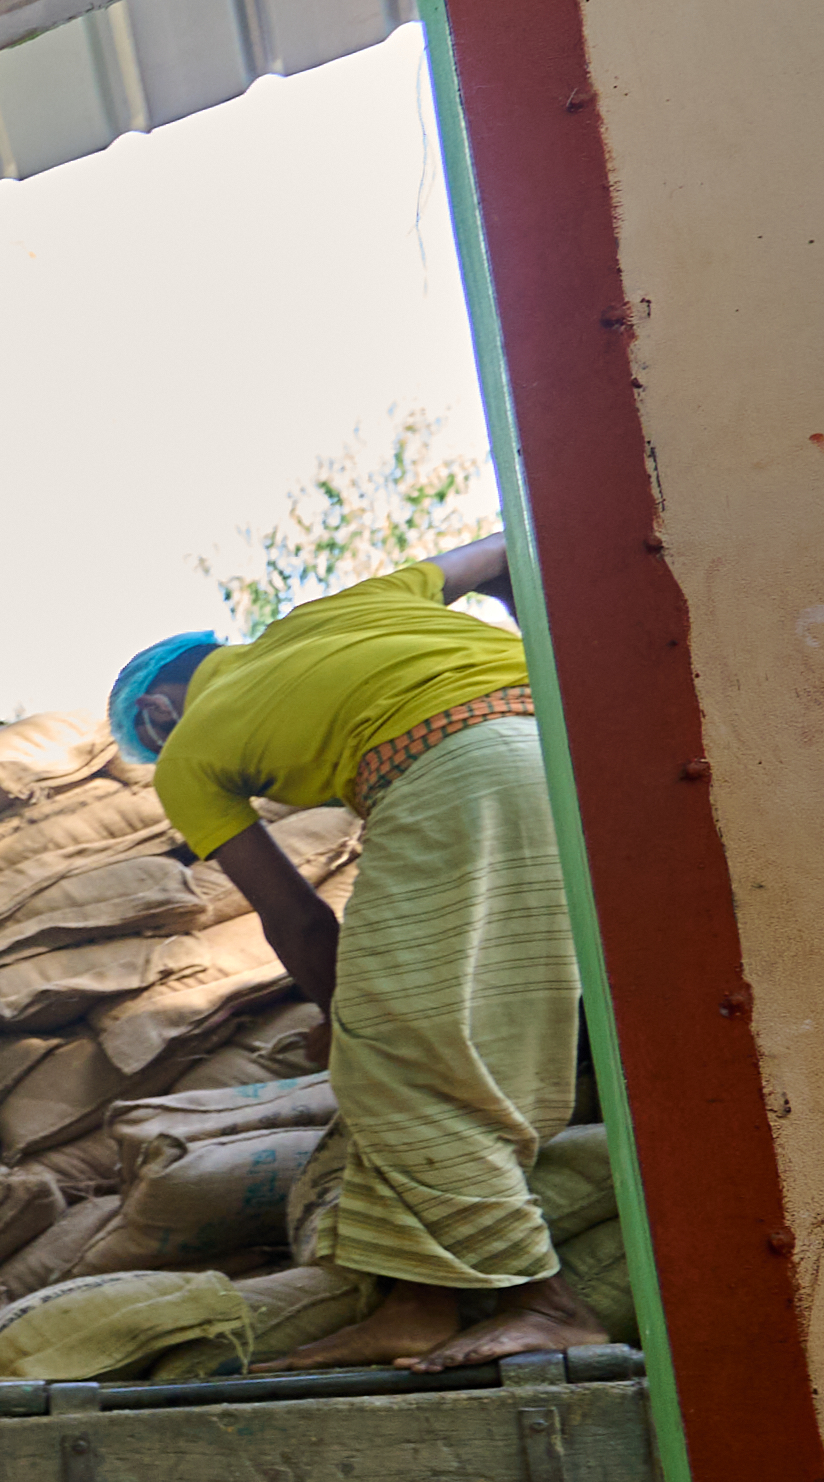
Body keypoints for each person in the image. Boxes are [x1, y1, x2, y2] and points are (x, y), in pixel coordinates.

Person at [110, 538, 595, 1370]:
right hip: (581, 743)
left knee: (392, 1052)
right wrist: (539, 656)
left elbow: (295, 921)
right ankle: (419, 1304)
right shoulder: (351, 606)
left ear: (158, 712)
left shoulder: (187, 754)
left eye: (153, 736)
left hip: (465, 771)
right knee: (516, 1020)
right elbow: (514, 546)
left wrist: (343, 1020)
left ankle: (543, 1301)